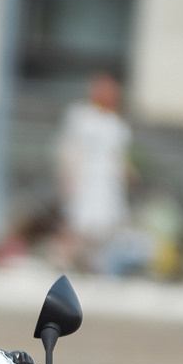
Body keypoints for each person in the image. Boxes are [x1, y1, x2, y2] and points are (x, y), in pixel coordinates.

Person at [55, 71, 131, 267]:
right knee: (78, 225)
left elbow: (118, 158)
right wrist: (68, 179)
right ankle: (63, 262)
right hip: (85, 180)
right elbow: (70, 149)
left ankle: (93, 266)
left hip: (106, 184)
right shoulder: (81, 116)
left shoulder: (116, 124)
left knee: (105, 228)